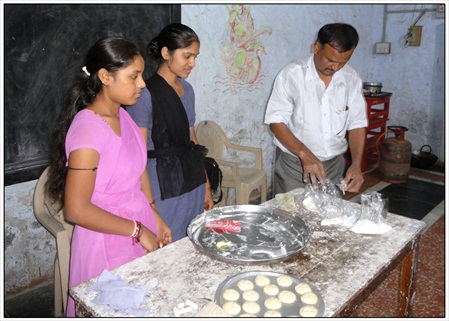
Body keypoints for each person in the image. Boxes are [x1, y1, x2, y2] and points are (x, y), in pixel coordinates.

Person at [46, 37, 172, 317]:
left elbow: (138, 169)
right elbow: (77, 209)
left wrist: (155, 215)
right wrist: (138, 231)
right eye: (134, 76)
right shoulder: (88, 129)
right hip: (106, 237)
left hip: (136, 224)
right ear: (104, 76)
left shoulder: (123, 116)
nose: (142, 84)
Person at [127, 23, 214, 242]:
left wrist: (206, 185)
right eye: (187, 56)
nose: (192, 63)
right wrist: (150, 205)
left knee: (193, 239)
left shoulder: (188, 90)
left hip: (191, 178)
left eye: (195, 57)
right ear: (166, 53)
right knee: (167, 244)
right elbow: (138, 155)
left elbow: (192, 140)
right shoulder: (145, 95)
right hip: (162, 185)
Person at [264, 23, 367, 195]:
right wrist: (305, 154)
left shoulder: (351, 79)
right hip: (294, 165)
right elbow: (276, 122)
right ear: (317, 47)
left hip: (333, 166)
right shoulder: (292, 75)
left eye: (342, 63)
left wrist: (356, 165)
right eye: (330, 60)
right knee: (289, 216)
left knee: (328, 218)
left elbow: (356, 123)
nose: (334, 68)